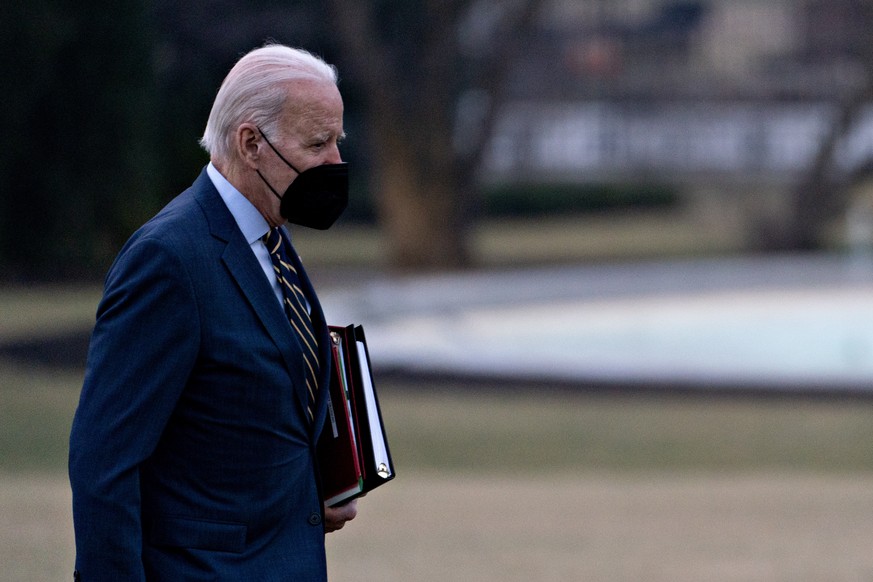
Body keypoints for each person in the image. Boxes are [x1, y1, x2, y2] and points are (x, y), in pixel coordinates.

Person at [69, 44, 358, 581]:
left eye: (337, 142)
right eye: (318, 143)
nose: (335, 163)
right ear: (251, 143)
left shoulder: (272, 236)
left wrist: (316, 486)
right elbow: (103, 465)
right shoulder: (169, 259)